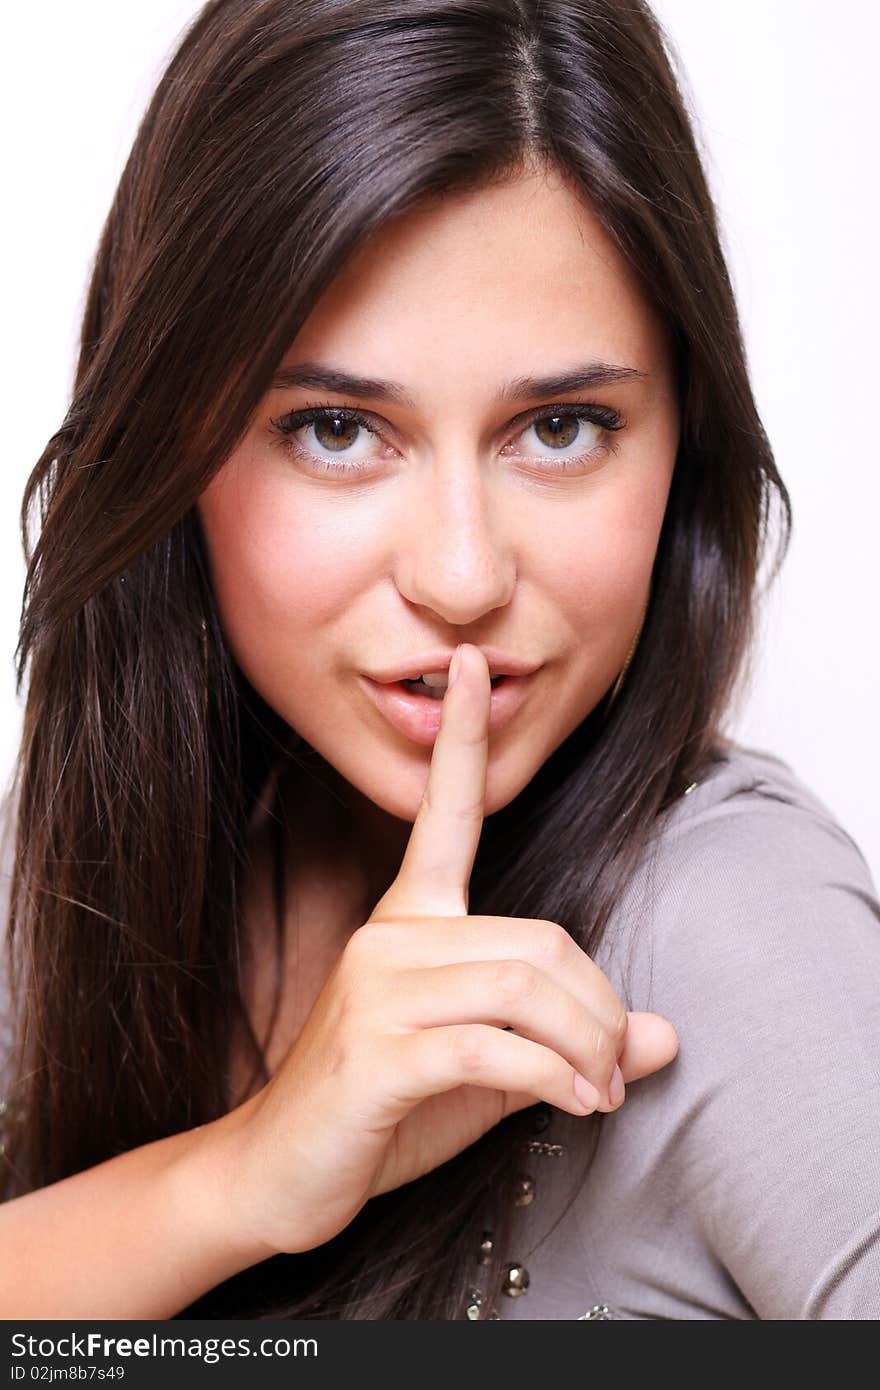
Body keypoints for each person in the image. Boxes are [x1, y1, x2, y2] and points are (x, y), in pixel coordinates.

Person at [0, 0, 877, 1322]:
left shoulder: (738, 927)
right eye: (340, 429)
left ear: (681, 437)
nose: (464, 576)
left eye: (564, 425)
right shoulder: (81, 872)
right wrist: (239, 1177)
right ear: (167, 445)